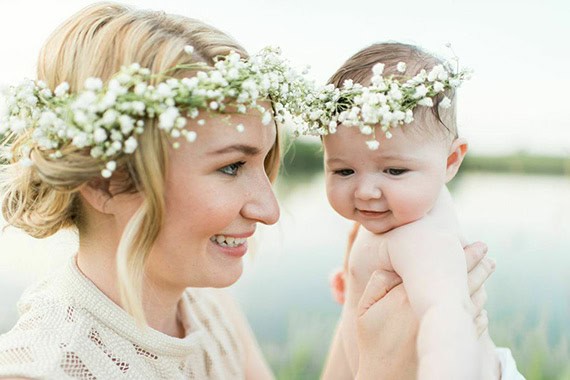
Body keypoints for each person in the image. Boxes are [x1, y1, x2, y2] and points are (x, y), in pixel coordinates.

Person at [0, 4, 500, 379]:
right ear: (106, 180)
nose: (270, 210)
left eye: (264, 163)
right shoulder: (43, 369)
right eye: (232, 166)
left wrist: (359, 320)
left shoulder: (204, 305)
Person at [300, 42, 524, 378]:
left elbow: (445, 315)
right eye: (343, 171)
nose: (366, 191)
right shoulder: (412, 207)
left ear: (450, 161)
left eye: (394, 171)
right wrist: (358, 278)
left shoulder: (421, 237)